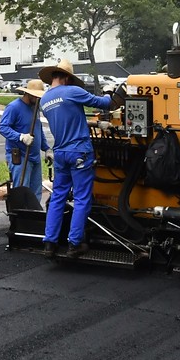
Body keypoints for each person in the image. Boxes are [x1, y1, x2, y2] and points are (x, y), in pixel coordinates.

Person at [38, 62, 120, 255]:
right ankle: (74, 243)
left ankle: (49, 243)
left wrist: (96, 123)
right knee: (82, 198)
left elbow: (71, 118)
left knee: (58, 196)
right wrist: (109, 92)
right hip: (79, 152)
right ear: (66, 78)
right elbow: (105, 104)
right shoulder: (71, 91)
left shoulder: (44, 100)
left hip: (61, 153)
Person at [0, 79, 48, 197]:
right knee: (22, 190)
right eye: (36, 96)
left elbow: (38, 129)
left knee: (36, 192)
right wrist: (20, 137)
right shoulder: (14, 107)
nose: (38, 99)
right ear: (28, 94)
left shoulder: (34, 108)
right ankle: (21, 214)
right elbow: (3, 127)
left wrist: (46, 149)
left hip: (34, 156)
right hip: (20, 157)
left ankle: (35, 214)